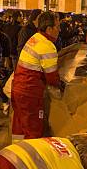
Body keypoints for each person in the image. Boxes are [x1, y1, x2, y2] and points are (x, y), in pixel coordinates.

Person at [11, 11, 61, 142]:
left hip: (19, 89)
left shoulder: (35, 38)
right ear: (49, 29)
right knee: (33, 130)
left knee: (20, 127)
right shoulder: (47, 46)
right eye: (57, 27)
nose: (59, 30)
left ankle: (17, 154)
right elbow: (52, 78)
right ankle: (31, 158)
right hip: (30, 93)